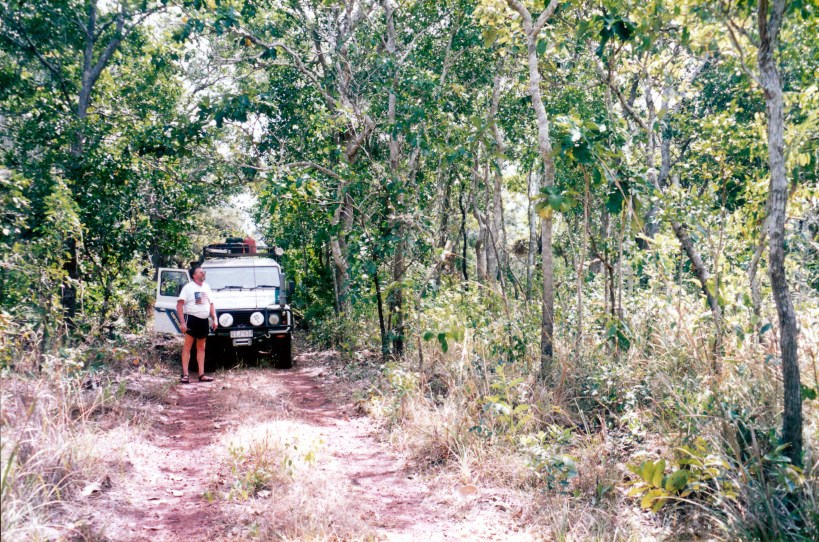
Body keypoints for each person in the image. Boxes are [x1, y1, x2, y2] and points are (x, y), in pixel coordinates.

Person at [177, 266, 217, 383]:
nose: (203, 273)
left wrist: (215, 319)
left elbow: (211, 304)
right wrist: (183, 322)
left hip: (204, 321)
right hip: (192, 319)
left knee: (201, 348)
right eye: (200, 272)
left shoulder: (206, 287)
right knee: (188, 347)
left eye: (203, 272)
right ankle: (185, 374)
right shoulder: (188, 288)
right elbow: (179, 305)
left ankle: (201, 375)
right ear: (194, 276)